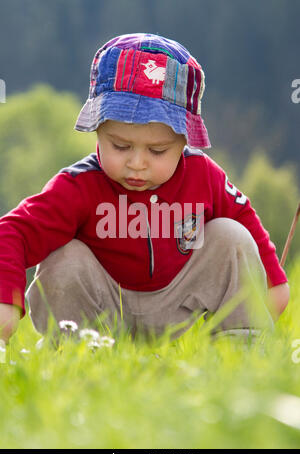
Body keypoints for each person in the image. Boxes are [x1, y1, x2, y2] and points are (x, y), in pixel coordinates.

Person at [0, 33, 289, 344]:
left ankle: (240, 348)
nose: (137, 163)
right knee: (64, 257)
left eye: (157, 151)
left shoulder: (202, 175)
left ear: (183, 141)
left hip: (181, 306)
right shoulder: (79, 185)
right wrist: (5, 301)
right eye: (120, 145)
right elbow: (13, 231)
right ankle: (73, 351)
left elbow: (244, 219)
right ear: (98, 129)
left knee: (231, 235)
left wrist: (274, 283)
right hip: (103, 313)